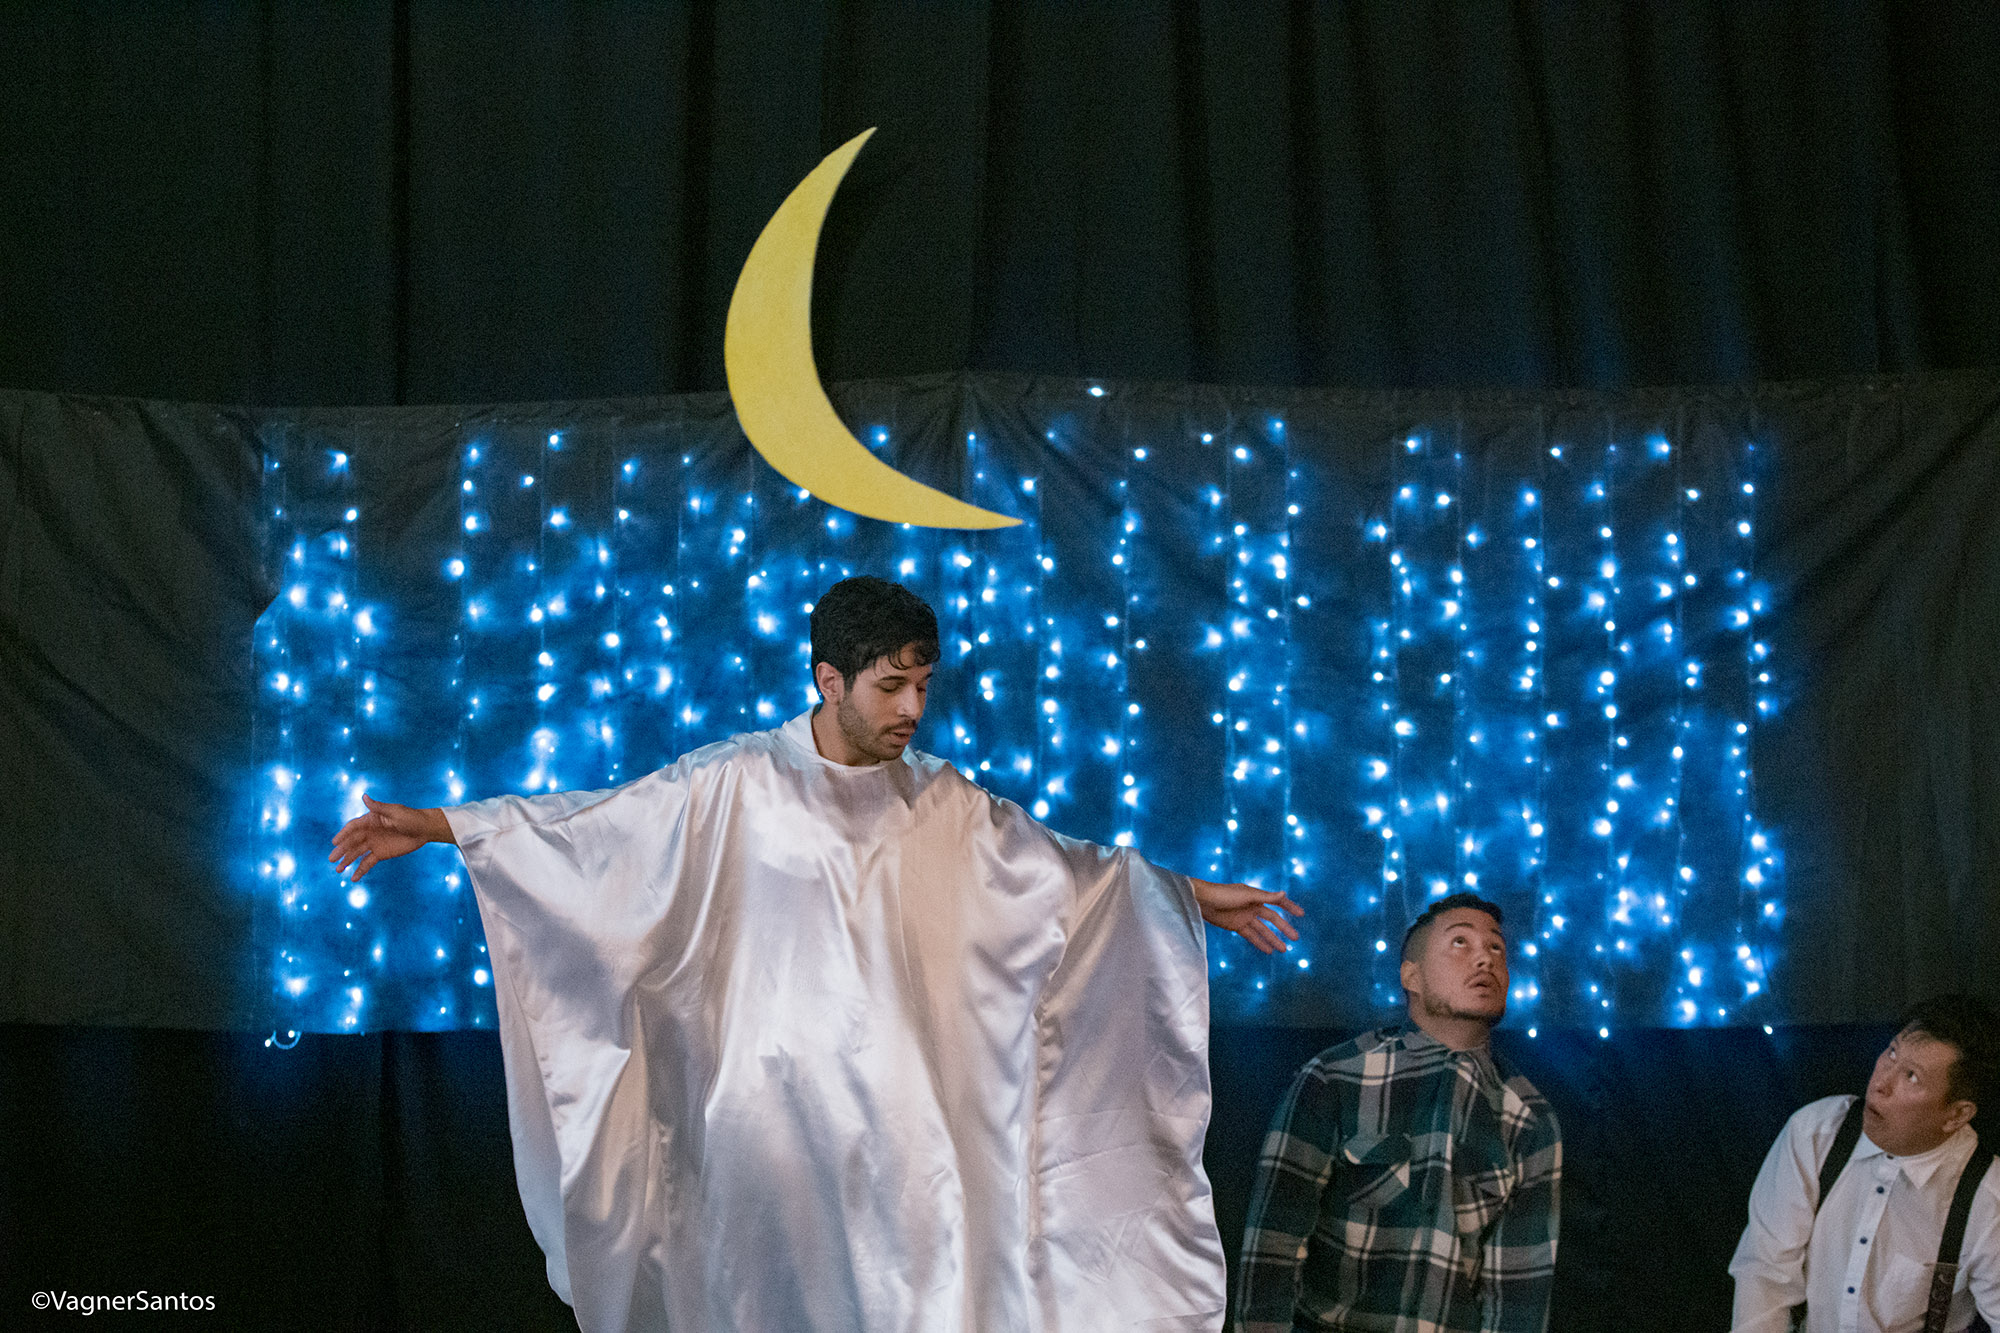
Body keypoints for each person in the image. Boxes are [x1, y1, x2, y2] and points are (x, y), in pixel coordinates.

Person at [331, 575, 1303, 1333]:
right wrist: (443, 826)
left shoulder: (942, 802)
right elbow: (594, 834)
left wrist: (1184, 895)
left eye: (923, 684)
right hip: (769, 1134)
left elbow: (1067, 878)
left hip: (906, 1138)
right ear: (829, 680)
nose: (912, 706)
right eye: (891, 685)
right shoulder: (735, 783)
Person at [1235, 892, 1562, 1333]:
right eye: (1460, 942)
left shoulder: (1529, 1118)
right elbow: (1271, 1248)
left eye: (1496, 947)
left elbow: (1518, 1298)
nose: (1485, 958)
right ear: (1412, 976)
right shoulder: (1336, 1077)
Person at [1729, 994, 2000, 1333]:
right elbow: (1766, 1274)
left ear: (1957, 1115)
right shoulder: (1816, 1133)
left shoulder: (1989, 1198)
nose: (1881, 1083)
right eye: (1892, 1053)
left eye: (1911, 1076)